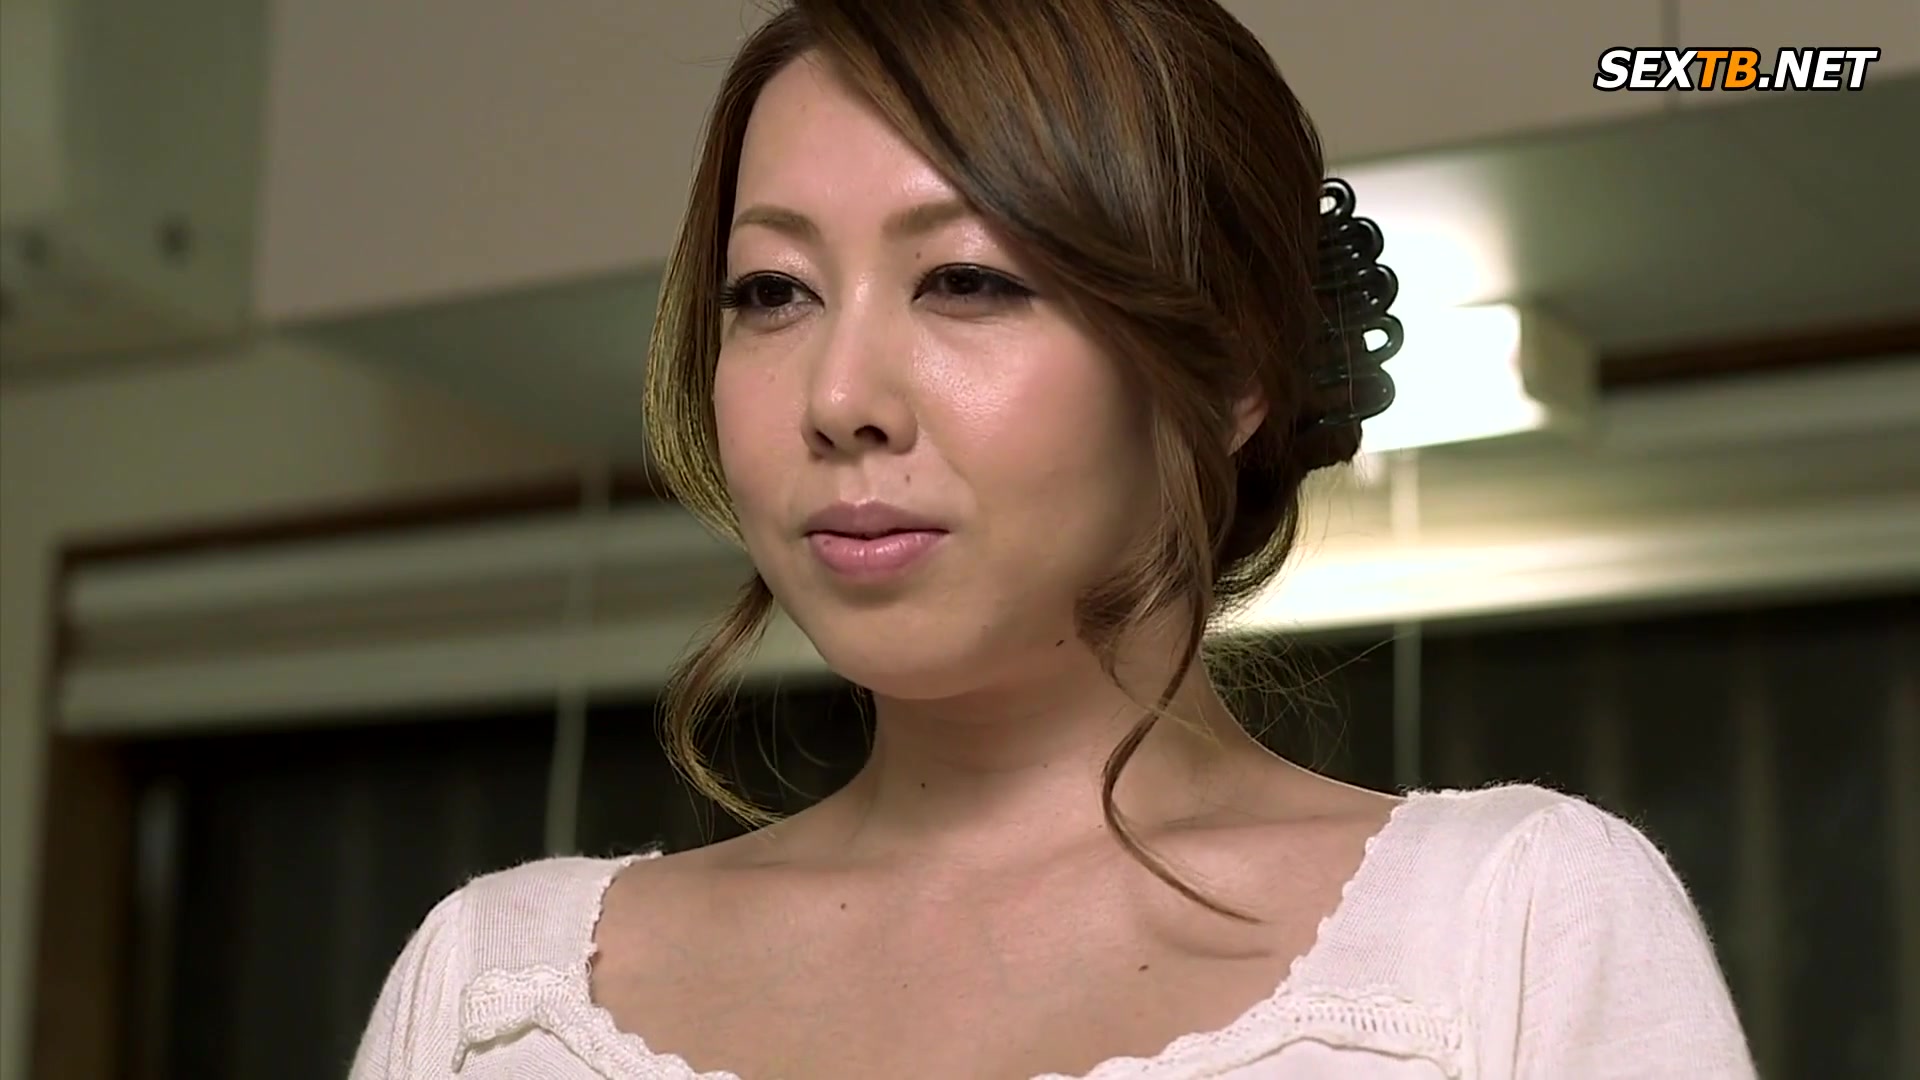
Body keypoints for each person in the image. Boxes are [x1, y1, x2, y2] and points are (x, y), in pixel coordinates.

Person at [350, 1, 1757, 1076]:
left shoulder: (1509, 930)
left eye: (966, 279)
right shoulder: (492, 994)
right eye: (772, 292)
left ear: (1229, 371)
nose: (838, 399)